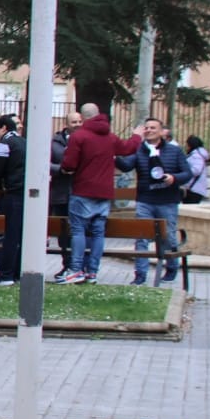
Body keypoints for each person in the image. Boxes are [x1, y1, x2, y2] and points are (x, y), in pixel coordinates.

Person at [57, 103, 145, 284]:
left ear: (83, 117)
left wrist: (66, 169)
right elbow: (128, 148)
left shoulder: (78, 136)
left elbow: (69, 165)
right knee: (98, 233)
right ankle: (92, 272)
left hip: (83, 190)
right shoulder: (110, 137)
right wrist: (137, 136)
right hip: (104, 193)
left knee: (78, 230)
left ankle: (75, 269)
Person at [117, 117, 189, 284]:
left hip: (167, 201)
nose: (149, 130)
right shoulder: (139, 151)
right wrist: (114, 154)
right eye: (146, 128)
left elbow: (187, 173)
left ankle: (171, 266)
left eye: (153, 128)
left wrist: (174, 177)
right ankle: (140, 274)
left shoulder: (174, 151)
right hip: (145, 200)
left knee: (168, 237)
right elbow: (126, 165)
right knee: (141, 236)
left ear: (162, 131)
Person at [0, 115, 27, 284]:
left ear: (3, 128)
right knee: (19, 235)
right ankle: (17, 272)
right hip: (23, 191)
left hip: (11, 192)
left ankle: (5, 275)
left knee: (10, 235)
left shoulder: (4, 143)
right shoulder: (23, 142)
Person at [49, 111, 81, 275]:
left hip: (80, 192)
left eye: (79, 121)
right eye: (73, 122)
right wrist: (61, 170)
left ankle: (78, 266)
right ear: (67, 124)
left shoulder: (85, 140)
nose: (77, 125)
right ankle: (66, 264)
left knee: (78, 231)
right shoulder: (55, 142)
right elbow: (45, 163)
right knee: (63, 234)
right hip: (60, 193)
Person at [183, 136, 210, 204]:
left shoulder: (196, 156)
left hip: (194, 188)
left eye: (187, 145)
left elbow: (196, 170)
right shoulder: (198, 154)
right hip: (195, 187)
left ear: (190, 145)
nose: (185, 147)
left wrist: (184, 173)